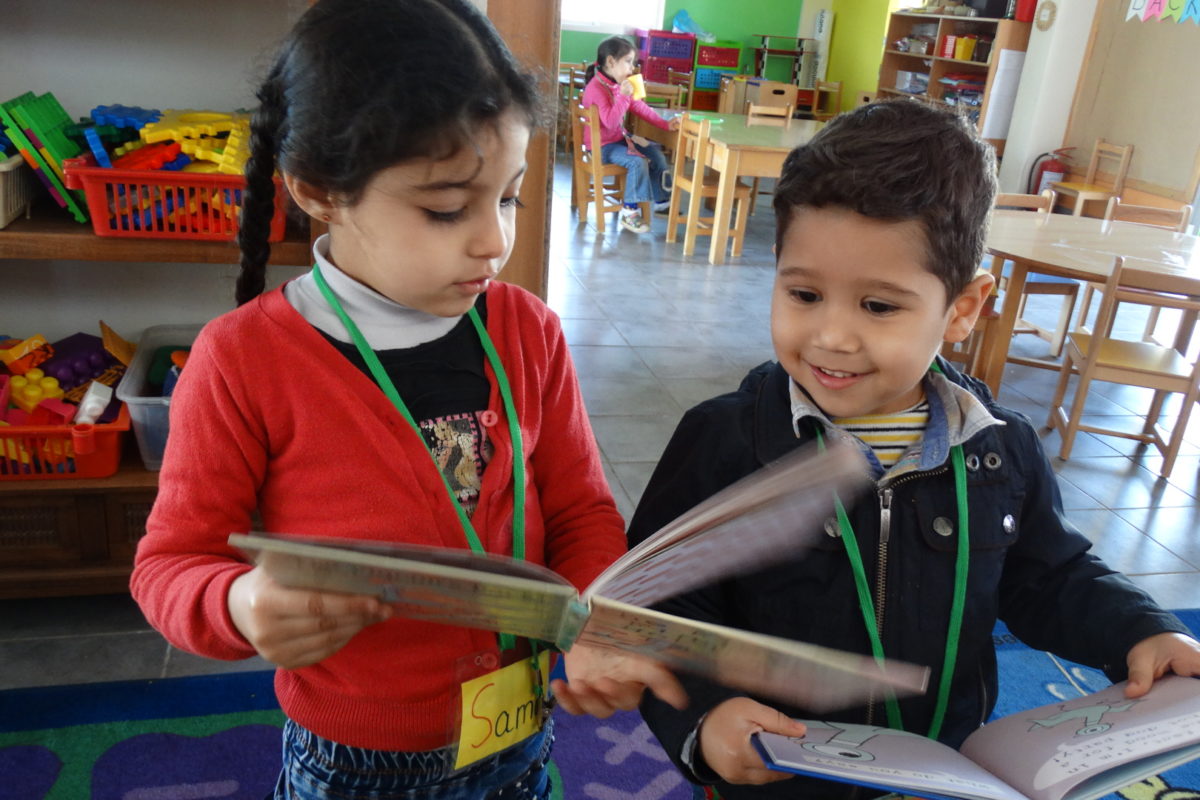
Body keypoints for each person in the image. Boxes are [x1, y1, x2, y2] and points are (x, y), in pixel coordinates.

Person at [129, 2, 686, 798]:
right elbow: (169, 565)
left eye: (510, 198)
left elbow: (580, 511)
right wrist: (238, 599)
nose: (494, 240)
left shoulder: (528, 331)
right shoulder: (242, 360)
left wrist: (593, 617)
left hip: (519, 728)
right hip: (356, 761)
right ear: (321, 191)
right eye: (447, 208)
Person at [626, 99, 1200, 800]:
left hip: (946, 770)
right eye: (804, 293)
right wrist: (707, 719)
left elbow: (1051, 574)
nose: (832, 335)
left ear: (962, 309)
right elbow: (660, 616)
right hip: (782, 772)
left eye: (878, 307)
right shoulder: (724, 442)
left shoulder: (1001, 452)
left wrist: (1140, 629)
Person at [581, 35, 679, 234]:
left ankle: (662, 203)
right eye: (628, 62)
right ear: (610, 61)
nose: (632, 68)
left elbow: (640, 107)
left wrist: (666, 124)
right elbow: (608, 122)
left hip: (617, 141)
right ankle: (629, 213)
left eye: (632, 62)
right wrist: (624, 97)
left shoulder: (616, 84)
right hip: (601, 147)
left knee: (655, 154)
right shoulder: (596, 88)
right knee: (637, 162)